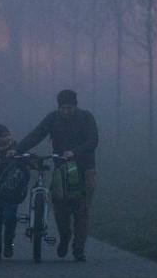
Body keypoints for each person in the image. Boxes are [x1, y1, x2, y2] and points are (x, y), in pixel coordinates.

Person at [14, 89, 98, 261]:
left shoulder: (86, 117)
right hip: (61, 170)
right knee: (60, 207)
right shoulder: (52, 118)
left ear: (75, 106)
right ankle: (65, 236)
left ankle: (79, 247)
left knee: (81, 209)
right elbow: (36, 135)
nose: (65, 111)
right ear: (58, 107)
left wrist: (74, 152)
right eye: (63, 108)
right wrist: (17, 150)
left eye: (69, 108)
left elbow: (93, 140)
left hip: (85, 169)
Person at [0, 124, 19, 261]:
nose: (7, 138)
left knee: (10, 218)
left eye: (8, 134)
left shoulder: (17, 147)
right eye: (3, 136)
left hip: (12, 190)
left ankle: (8, 243)